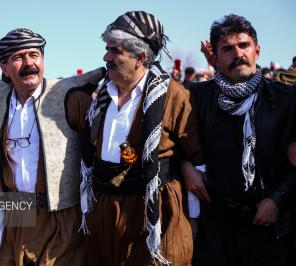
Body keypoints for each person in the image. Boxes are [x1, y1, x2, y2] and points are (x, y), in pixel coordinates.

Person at [65, 11, 202, 266]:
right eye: (106, 49)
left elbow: (197, 157)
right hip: (104, 211)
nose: (106, 57)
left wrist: (193, 218)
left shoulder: (173, 96)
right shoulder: (97, 97)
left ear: (140, 57)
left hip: (154, 214)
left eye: (114, 51)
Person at [0, 28, 103, 266]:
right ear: (4, 68)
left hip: (61, 220)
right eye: (18, 57)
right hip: (15, 218)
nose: (29, 63)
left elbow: (97, 150)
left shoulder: (71, 97)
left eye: (34, 55)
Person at [186, 14, 296, 266]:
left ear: (257, 50)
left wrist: (276, 199)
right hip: (217, 227)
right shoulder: (197, 98)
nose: (238, 54)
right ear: (215, 57)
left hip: (271, 227)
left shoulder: (287, 99)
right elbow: (179, 143)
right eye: (227, 49)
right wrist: (187, 168)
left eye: (244, 45)